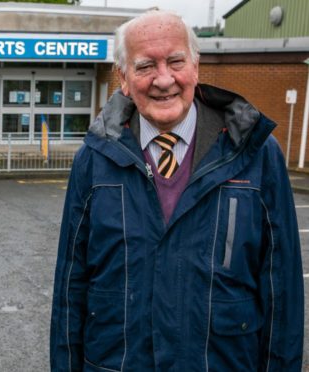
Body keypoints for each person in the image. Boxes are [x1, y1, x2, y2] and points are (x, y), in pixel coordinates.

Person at [50, 10, 303, 371]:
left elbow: (283, 293)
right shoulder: (94, 158)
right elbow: (70, 290)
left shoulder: (257, 155)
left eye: (175, 61)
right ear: (124, 78)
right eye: (145, 66)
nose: (163, 79)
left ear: (196, 67)